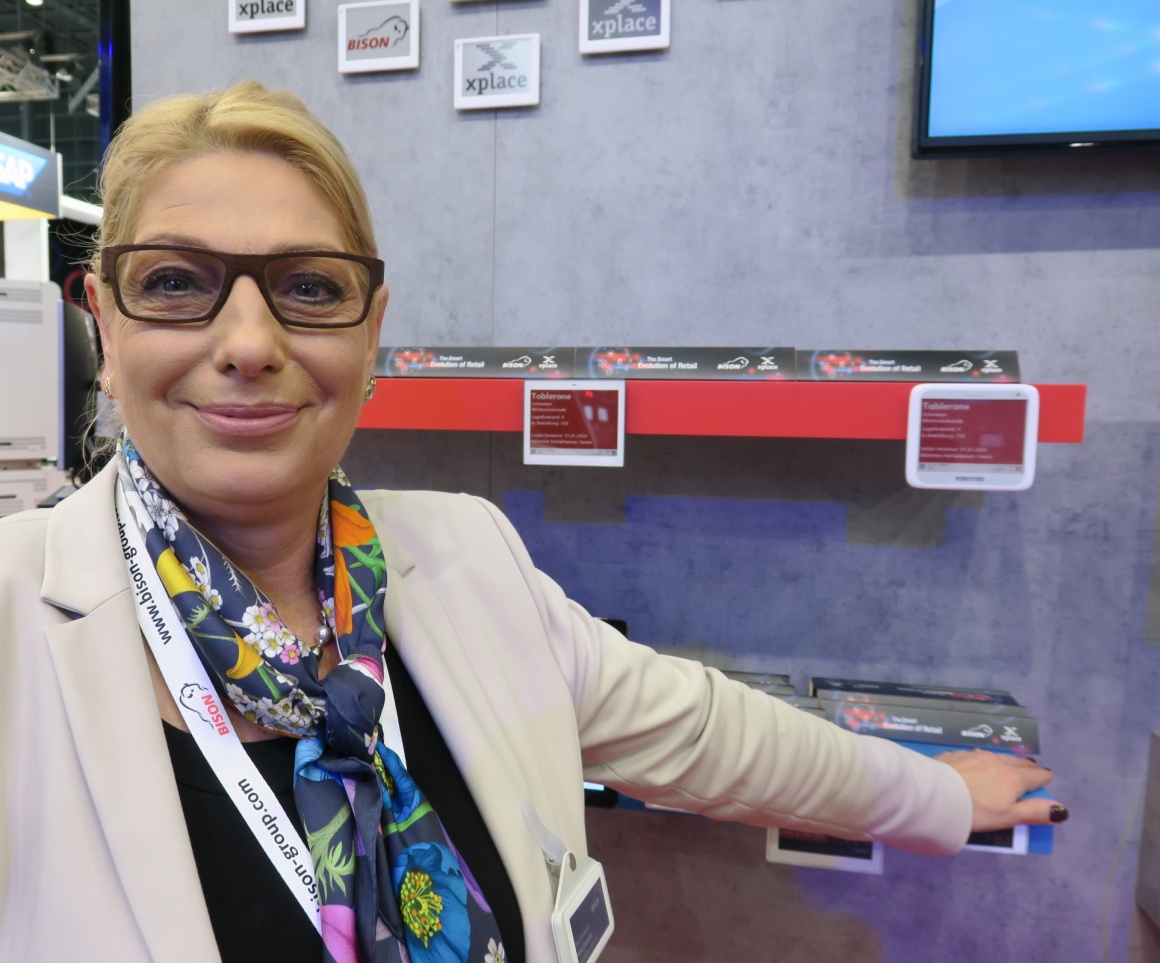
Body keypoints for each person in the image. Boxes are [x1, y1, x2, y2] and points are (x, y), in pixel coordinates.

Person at [0, 81, 1064, 963]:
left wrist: (929, 794)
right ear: (101, 314)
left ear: (371, 332)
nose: (246, 341)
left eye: (307, 288)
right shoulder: (17, 619)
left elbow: (702, 731)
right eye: (177, 283)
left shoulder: (464, 558)